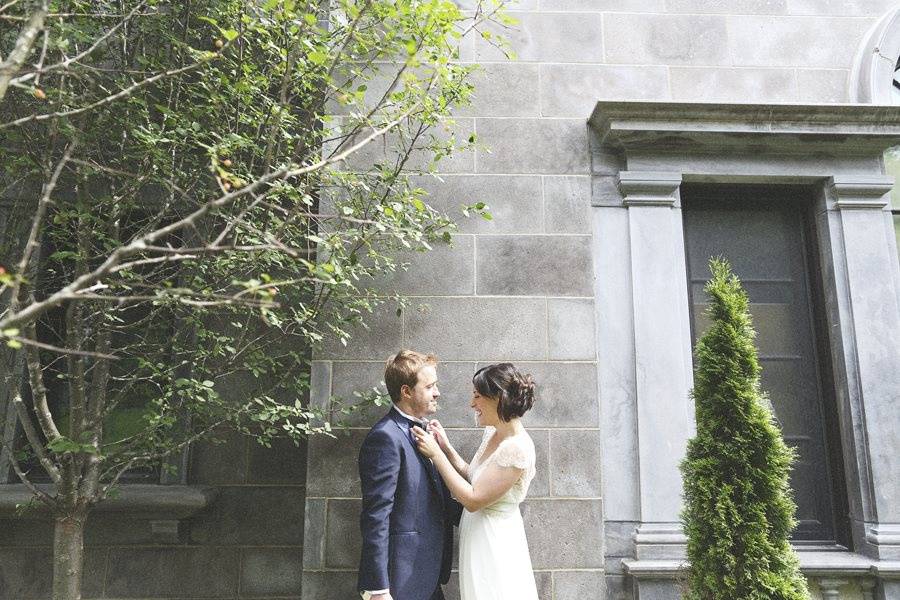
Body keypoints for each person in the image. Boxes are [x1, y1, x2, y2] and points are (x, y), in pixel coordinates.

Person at [412, 363, 539, 600]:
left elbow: (473, 499)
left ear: (498, 398)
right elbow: (474, 476)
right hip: (478, 538)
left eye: (477, 396)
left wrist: (436, 455)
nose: (473, 404)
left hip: (495, 544)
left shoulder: (517, 449)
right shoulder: (493, 433)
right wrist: (446, 447)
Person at [357, 350, 461, 600]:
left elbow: (440, 503)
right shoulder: (385, 437)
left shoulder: (425, 433)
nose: (437, 392)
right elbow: (376, 516)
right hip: (400, 582)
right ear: (406, 391)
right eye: (430, 386)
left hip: (429, 575)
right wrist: (378, 589)